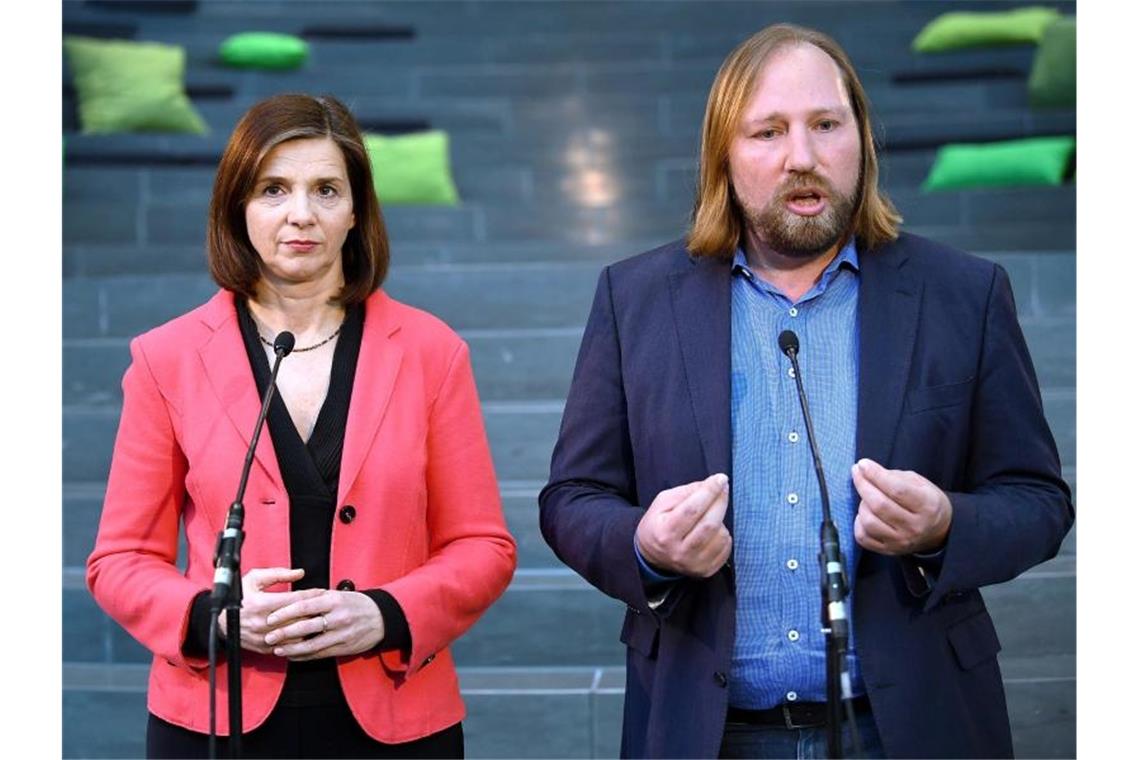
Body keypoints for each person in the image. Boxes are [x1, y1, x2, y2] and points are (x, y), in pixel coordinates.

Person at [539, 23, 1073, 760]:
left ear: (861, 138)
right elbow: (571, 499)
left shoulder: (964, 294)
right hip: (706, 730)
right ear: (724, 156)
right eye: (768, 131)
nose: (803, 156)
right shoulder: (636, 301)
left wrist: (946, 525)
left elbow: (1038, 500)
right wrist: (647, 545)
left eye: (826, 124)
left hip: (910, 727)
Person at [87, 93, 517, 758]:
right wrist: (214, 615)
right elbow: (119, 561)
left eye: (326, 189)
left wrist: (386, 614)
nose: (301, 214)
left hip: (395, 722)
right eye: (273, 189)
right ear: (239, 206)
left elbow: (482, 547)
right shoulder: (166, 359)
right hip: (215, 721)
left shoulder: (432, 353)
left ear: (355, 211)